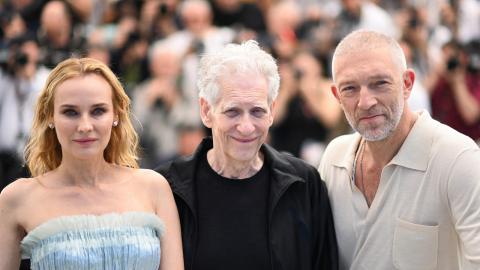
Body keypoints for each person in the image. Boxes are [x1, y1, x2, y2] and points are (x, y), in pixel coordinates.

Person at [156, 40, 338, 270]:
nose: (246, 126)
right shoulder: (167, 187)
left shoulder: (305, 184)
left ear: (272, 112)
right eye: (232, 111)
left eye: (257, 111)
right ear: (206, 111)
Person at [0, 58, 184, 270]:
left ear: (116, 114)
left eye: (98, 111)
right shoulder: (17, 198)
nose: (85, 126)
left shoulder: (153, 187)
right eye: (70, 112)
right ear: (49, 116)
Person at [319, 30, 480, 270]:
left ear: (407, 84)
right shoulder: (334, 157)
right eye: (350, 88)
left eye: (380, 83)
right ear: (336, 96)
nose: (366, 102)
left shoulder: (457, 158)